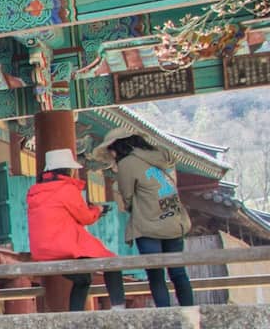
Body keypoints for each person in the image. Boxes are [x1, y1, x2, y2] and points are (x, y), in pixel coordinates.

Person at [95, 130, 195, 307]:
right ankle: (190, 313)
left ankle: (165, 316)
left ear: (118, 146)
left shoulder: (127, 163)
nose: (111, 154)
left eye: (111, 149)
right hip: (174, 220)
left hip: (149, 225)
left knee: (156, 274)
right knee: (178, 272)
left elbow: (126, 196)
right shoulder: (161, 156)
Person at [28, 149, 127, 311]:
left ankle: (76, 316)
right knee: (112, 262)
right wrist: (98, 210)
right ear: (69, 170)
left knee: (83, 279)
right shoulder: (66, 189)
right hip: (64, 246)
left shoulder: (34, 192)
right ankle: (118, 307)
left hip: (42, 250)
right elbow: (85, 218)